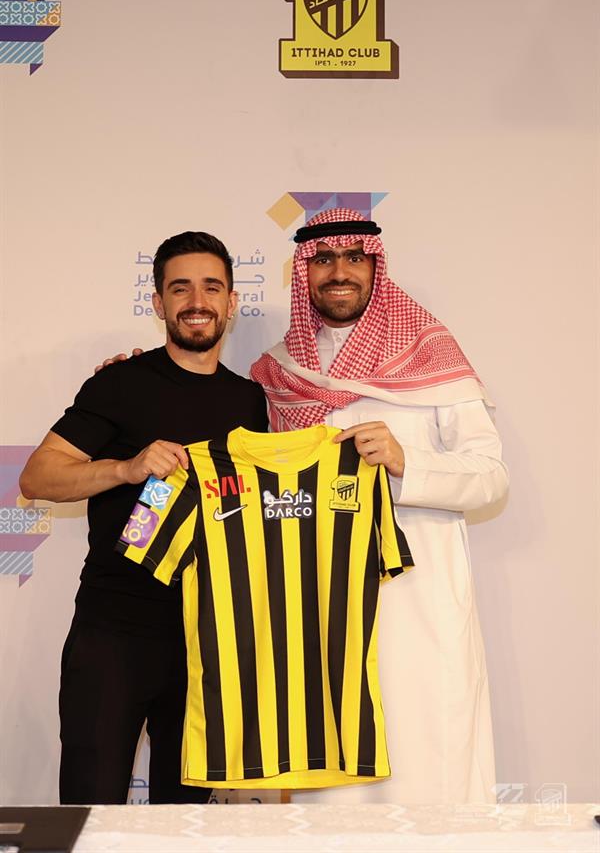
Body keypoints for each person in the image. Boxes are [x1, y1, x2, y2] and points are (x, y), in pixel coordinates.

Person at [249, 207, 509, 804]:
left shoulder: (430, 354)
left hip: (420, 598)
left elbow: (491, 478)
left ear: (375, 267)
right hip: (321, 603)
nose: (339, 271)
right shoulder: (278, 373)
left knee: (428, 764)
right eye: (323, 259)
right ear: (304, 272)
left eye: (353, 258)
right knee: (332, 776)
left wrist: (405, 463)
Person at [19, 231, 268, 805]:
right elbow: (36, 477)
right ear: (158, 302)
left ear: (232, 302)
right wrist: (125, 469)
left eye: (212, 287)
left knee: (184, 824)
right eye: (180, 289)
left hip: (208, 639)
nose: (197, 301)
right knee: (90, 814)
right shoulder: (119, 383)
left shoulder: (252, 402)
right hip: (115, 631)